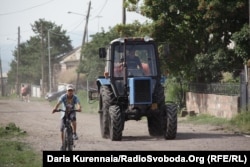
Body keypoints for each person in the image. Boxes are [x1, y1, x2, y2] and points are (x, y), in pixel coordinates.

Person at [52, 84, 82, 150]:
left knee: (73, 119)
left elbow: (78, 104)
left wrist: (79, 108)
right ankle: (63, 144)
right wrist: (55, 109)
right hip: (64, 113)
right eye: (69, 90)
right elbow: (58, 103)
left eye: (71, 90)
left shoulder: (75, 97)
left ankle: (74, 133)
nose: (70, 92)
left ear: (73, 91)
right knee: (62, 129)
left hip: (72, 112)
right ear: (66, 91)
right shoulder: (63, 97)